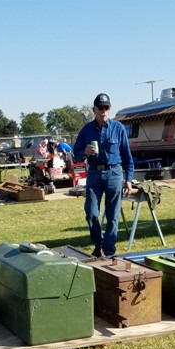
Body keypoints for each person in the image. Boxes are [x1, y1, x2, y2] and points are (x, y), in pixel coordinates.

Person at [74, 93, 134, 258]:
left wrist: (128, 179)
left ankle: (108, 251)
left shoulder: (118, 128)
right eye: (100, 108)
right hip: (94, 173)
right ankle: (98, 243)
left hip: (114, 173)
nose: (103, 111)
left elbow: (128, 157)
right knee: (92, 213)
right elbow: (76, 154)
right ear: (94, 110)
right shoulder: (86, 130)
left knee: (112, 215)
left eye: (106, 108)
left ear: (110, 109)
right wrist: (84, 152)